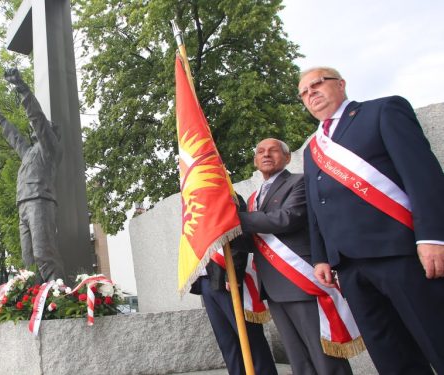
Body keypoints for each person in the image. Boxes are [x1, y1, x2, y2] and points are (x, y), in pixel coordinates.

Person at [300, 66, 444, 373]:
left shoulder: (382, 111)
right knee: (390, 355)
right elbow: (315, 207)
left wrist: (433, 237)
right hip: (349, 267)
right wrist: (321, 258)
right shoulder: (312, 149)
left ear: (340, 84)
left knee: (435, 337)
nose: (310, 93)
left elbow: (422, 174)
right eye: (303, 92)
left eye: (317, 84)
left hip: (399, 252)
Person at [238, 138, 352, 374]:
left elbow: (287, 218)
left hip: (299, 280)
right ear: (255, 160)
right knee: (298, 359)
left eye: (273, 150)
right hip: (272, 286)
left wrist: (235, 219)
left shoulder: (299, 181)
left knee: (323, 355)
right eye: (260, 151)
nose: (266, 155)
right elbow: (255, 241)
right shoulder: (254, 198)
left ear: (287, 157)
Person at [0, 67, 66, 283]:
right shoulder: (30, 152)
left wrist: (22, 89)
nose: (35, 130)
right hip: (23, 204)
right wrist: (0, 120)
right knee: (28, 259)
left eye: (41, 129)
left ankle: (57, 297)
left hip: (40, 201)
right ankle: (34, 299)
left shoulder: (50, 148)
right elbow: (15, 139)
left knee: (44, 254)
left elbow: (38, 118)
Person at [190, 215, 278, 375]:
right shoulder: (194, 204)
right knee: (227, 343)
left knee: (250, 340)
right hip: (206, 280)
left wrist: (233, 273)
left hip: (227, 278)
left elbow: (238, 233)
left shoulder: (226, 195)